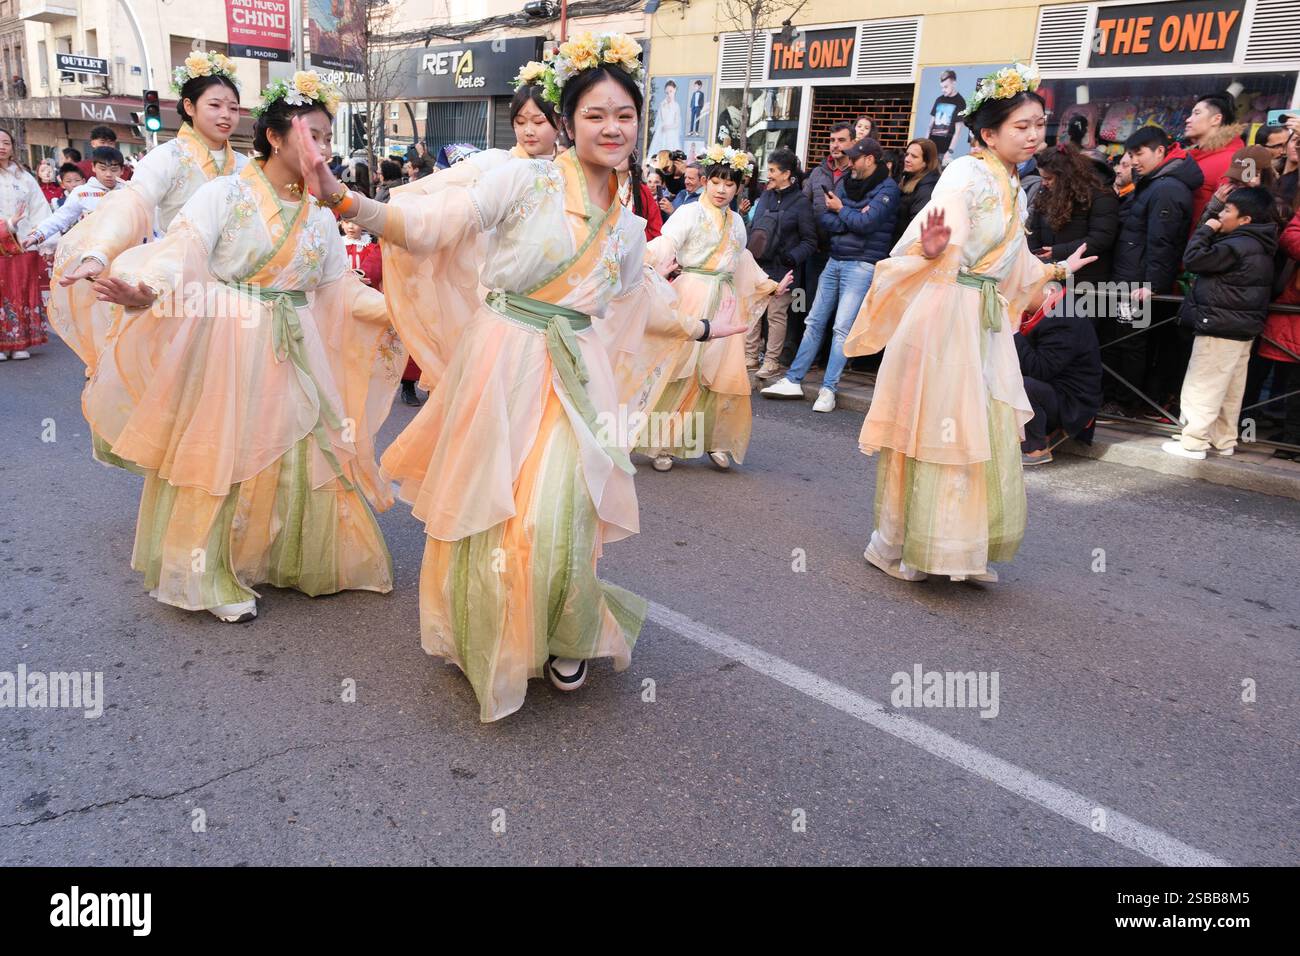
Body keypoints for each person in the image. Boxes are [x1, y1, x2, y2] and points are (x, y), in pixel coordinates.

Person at [313, 35, 748, 720]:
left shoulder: (631, 230)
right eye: (596, 114)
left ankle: (565, 627)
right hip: (504, 359)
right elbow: (429, 228)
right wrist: (346, 203)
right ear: (569, 121)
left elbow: (642, 304)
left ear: (641, 124)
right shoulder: (524, 181)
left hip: (577, 372)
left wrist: (700, 329)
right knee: (495, 505)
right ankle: (490, 627)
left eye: (625, 115)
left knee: (564, 505)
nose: (612, 128)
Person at [78, 71, 403, 624]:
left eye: (327, 138)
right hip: (230, 339)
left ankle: (294, 559)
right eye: (311, 135)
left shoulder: (321, 214)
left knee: (308, 448)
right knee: (222, 454)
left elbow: (338, 290)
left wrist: (399, 312)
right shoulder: (224, 193)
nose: (321, 149)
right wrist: (143, 291)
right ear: (275, 137)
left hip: (295, 344)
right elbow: (183, 252)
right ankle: (204, 575)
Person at [844, 63, 1096, 583]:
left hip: (982, 320)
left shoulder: (1015, 186)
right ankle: (902, 546)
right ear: (989, 133)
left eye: (1039, 124)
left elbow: (1014, 262)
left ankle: (961, 549)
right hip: (946, 313)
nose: (1035, 135)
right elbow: (936, 237)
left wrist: (1055, 269)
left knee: (981, 429)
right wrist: (933, 248)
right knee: (939, 430)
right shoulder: (963, 172)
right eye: (1022, 126)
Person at [49, 53, 249, 379]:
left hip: (235, 284)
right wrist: (100, 252)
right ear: (189, 107)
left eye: (233, 107)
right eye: (215, 105)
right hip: (178, 278)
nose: (226, 115)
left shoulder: (244, 166)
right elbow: (133, 203)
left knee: (229, 381)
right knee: (179, 379)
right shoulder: (168, 157)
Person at [638, 146, 791, 472]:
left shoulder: (737, 222)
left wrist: (770, 285)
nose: (722, 190)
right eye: (717, 182)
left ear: (739, 187)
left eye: (730, 184)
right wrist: (637, 261)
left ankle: (716, 441)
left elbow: (742, 261)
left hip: (725, 300)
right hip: (691, 293)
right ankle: (663, 443)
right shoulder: (689, 213)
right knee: (680, 370)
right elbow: (666, 244)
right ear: (706, 182)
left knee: (723, 375)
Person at [763, 137, 899, 412]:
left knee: (841, 329)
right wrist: (848, 215)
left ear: (869, 159)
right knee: (813, 321)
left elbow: (867, 222)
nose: (849, 162)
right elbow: (825, 217)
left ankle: (829, 389)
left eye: (855, 158)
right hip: (835, 259)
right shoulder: (847, 181)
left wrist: (842, 212)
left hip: (863, 264)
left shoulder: (888, 189)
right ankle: (793, 379)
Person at [1160, 186, 1277, 460]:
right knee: (1230, 390)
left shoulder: (1235, 246)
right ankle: (1223, 440)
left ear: (1245, 219)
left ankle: (1194, 442)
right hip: (1241, 328)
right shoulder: (1261, 244)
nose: (1221, 215)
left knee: (1202, 385)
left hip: (1219, 325)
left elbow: (1193, 260)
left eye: (1227, 210)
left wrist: (1207, 227)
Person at [1100, 126, 1203, 419]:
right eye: (1130, 154)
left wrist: (1153, 284)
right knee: (1120, 340)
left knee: (1130, 343)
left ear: (1160, 151)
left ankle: (1125, 402)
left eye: (1139, 153)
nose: (1133, 160)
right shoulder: (1154, 183)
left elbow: (1163, 241)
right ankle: (1116, 399)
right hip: (1127, 277)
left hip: (1137, 284)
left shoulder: (1167, 187)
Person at [746, 147, 816, 378]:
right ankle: (750, 356)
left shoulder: (800, 202)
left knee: (776, 315)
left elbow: (809, 241)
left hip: (783, 269)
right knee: (754, 313)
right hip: (759, 266)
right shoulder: (765, 196)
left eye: (774, 170)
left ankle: (772, 360)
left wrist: (791, 259)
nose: (769, 174)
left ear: (787, 174)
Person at [1016, 297, 1103, 465]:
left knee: (1021, 386)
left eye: (1026, 289)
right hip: (1054, 389)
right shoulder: (1044, 313)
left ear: (1050, 291)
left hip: (1072, 402)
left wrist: (1014, 333)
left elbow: (1040, 370)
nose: (1020, 294)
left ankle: (1036, 449)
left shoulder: (1064, 317)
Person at [1025, 143, 1119, 286]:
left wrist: (1058, 251)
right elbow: (1034, 229)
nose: (1043, 183)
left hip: (1086, 278)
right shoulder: (1046, 193)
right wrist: (1035, 254)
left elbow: (1101, 238)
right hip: (1049, 273)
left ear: (1065, 176)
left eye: (1049, 178)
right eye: (1042, 177)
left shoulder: (1101, 194)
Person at [1251, 204, 1300, 459]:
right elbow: (1291, 236)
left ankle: (1292, 441)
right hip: (1291, 309)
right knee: (1291, 379)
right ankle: (1291, 440)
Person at [0, 127, 52, 361]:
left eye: (6, 143)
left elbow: (39, 207)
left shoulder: (24, 177)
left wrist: (43, 238)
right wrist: (7, 224)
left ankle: (20, 341)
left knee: (22, 290)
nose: (2, 147)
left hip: (23, 244)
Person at [23, 146, 128, 250]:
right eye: (103, 169)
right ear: (93, 167)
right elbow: (61, 217)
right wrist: (37, 235)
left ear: (122, 170)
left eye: (114, 170)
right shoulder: (82, 193)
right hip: (91, 250)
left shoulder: (130, 191)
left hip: (125, 249)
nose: (108, 174)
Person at [1184, 93, 1245, 227]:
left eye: (1196, 113)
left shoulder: (1232, 159)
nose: (1188, 119)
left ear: (1216, 119)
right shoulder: (1194, 155)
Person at [892, 138, 941, 244]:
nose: (907, 159)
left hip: (905, 250)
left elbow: (917, 227)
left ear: (926, 162)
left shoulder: (927, 188)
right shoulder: (907, 177)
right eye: (907, 154)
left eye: (914, 156)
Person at [928, 69, 967, 165]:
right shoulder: (939, 99)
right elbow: (930, 125)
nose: (943, 90)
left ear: (953, 83)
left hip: (944, 151)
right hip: (931, 147)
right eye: (942, 87)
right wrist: (926, 144)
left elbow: (958, 132)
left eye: (946, 87)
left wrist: (949, 151)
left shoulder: (960, 102)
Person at [647, 79, 683, 158]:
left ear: (675, 90)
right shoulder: (662, 104)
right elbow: (662, 118)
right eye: (667, 92)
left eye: (671, 91)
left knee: (670, 153)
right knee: (658, 152)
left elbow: (677, 123)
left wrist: (668, 127)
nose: (669, 94)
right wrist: (665, 106)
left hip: (671, 134)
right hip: (662, 132)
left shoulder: (676, 106)